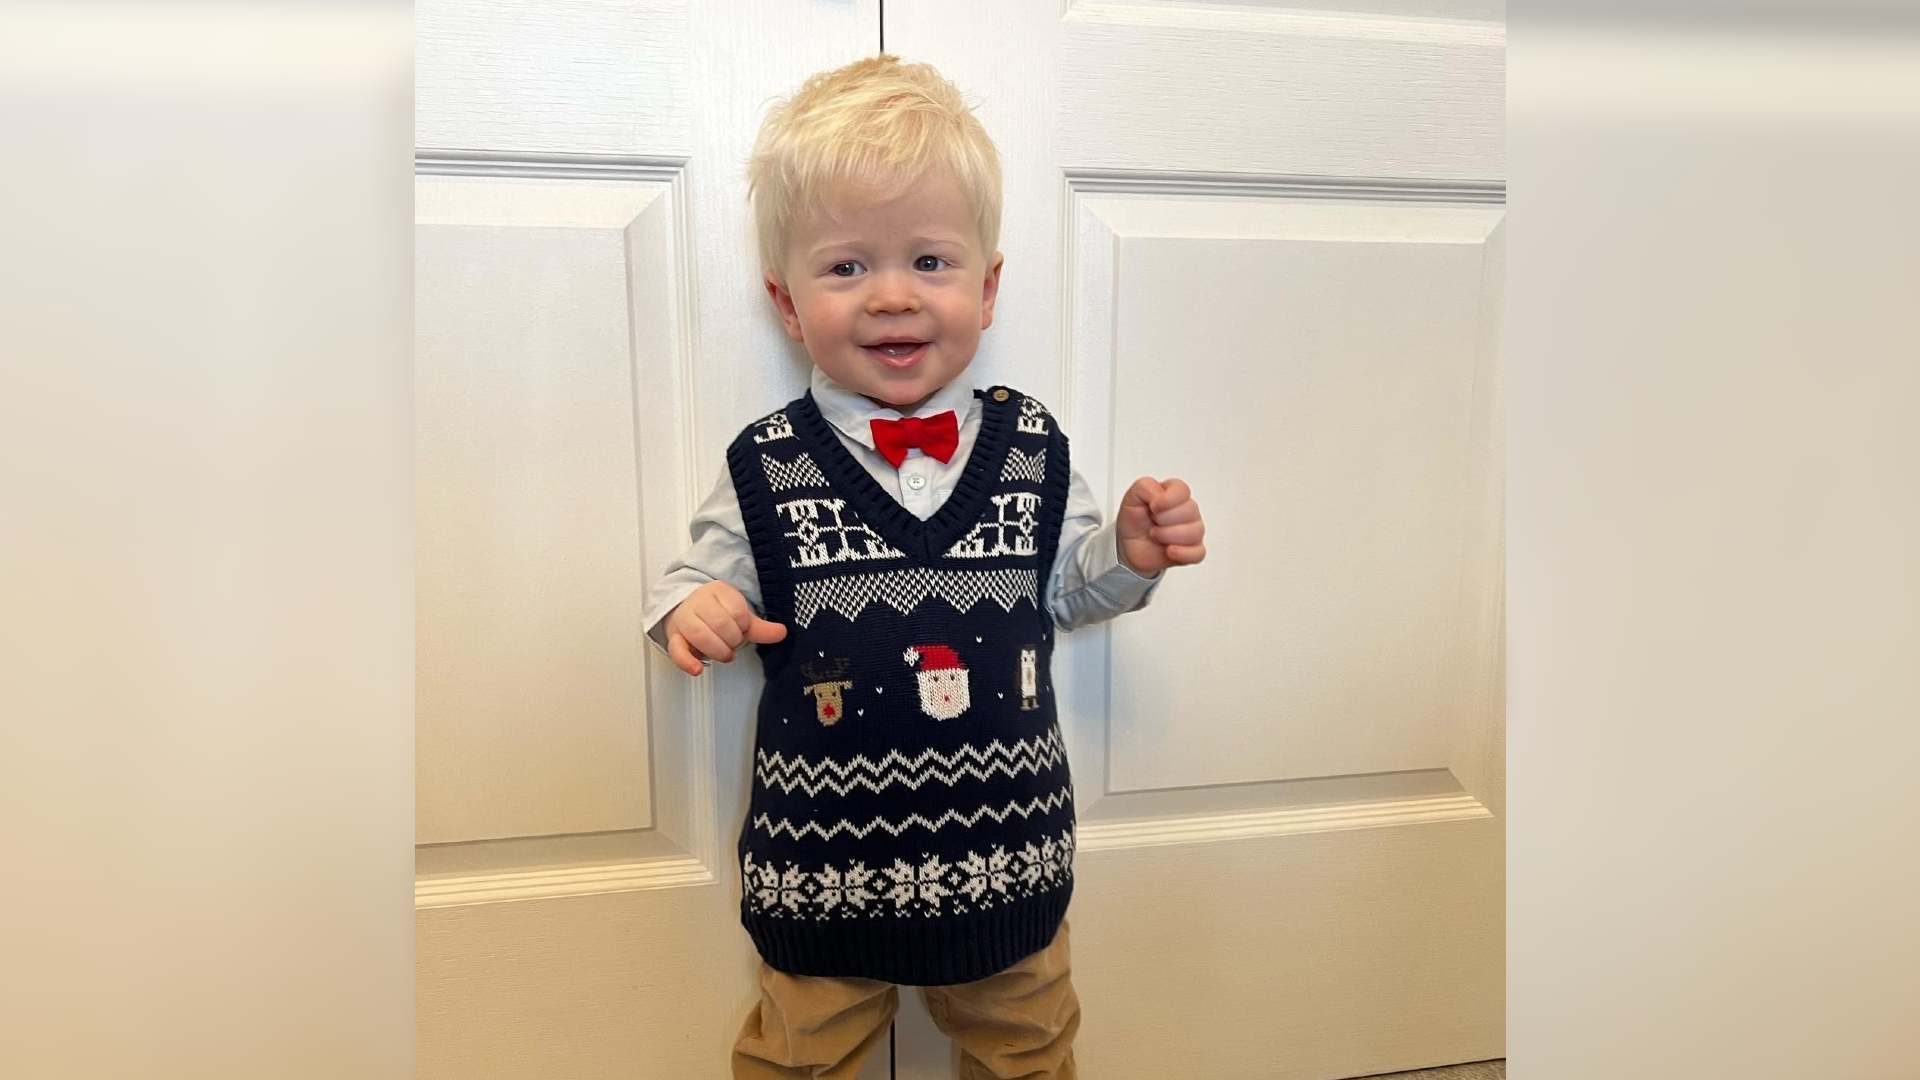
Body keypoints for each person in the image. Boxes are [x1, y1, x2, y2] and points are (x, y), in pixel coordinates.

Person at [639, 54, 1208, 1079]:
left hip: (1009, 869)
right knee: (794, 1061)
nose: (892, 297)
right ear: (785, 299)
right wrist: (699, 610)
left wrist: (1125, 556)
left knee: (1028, 1054)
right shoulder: (767, 465)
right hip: (823, 878)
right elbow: (692, 579)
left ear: (988, 288)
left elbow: (1071, 590)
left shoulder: (1033, 448)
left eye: (930, 264)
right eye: (847, 267)